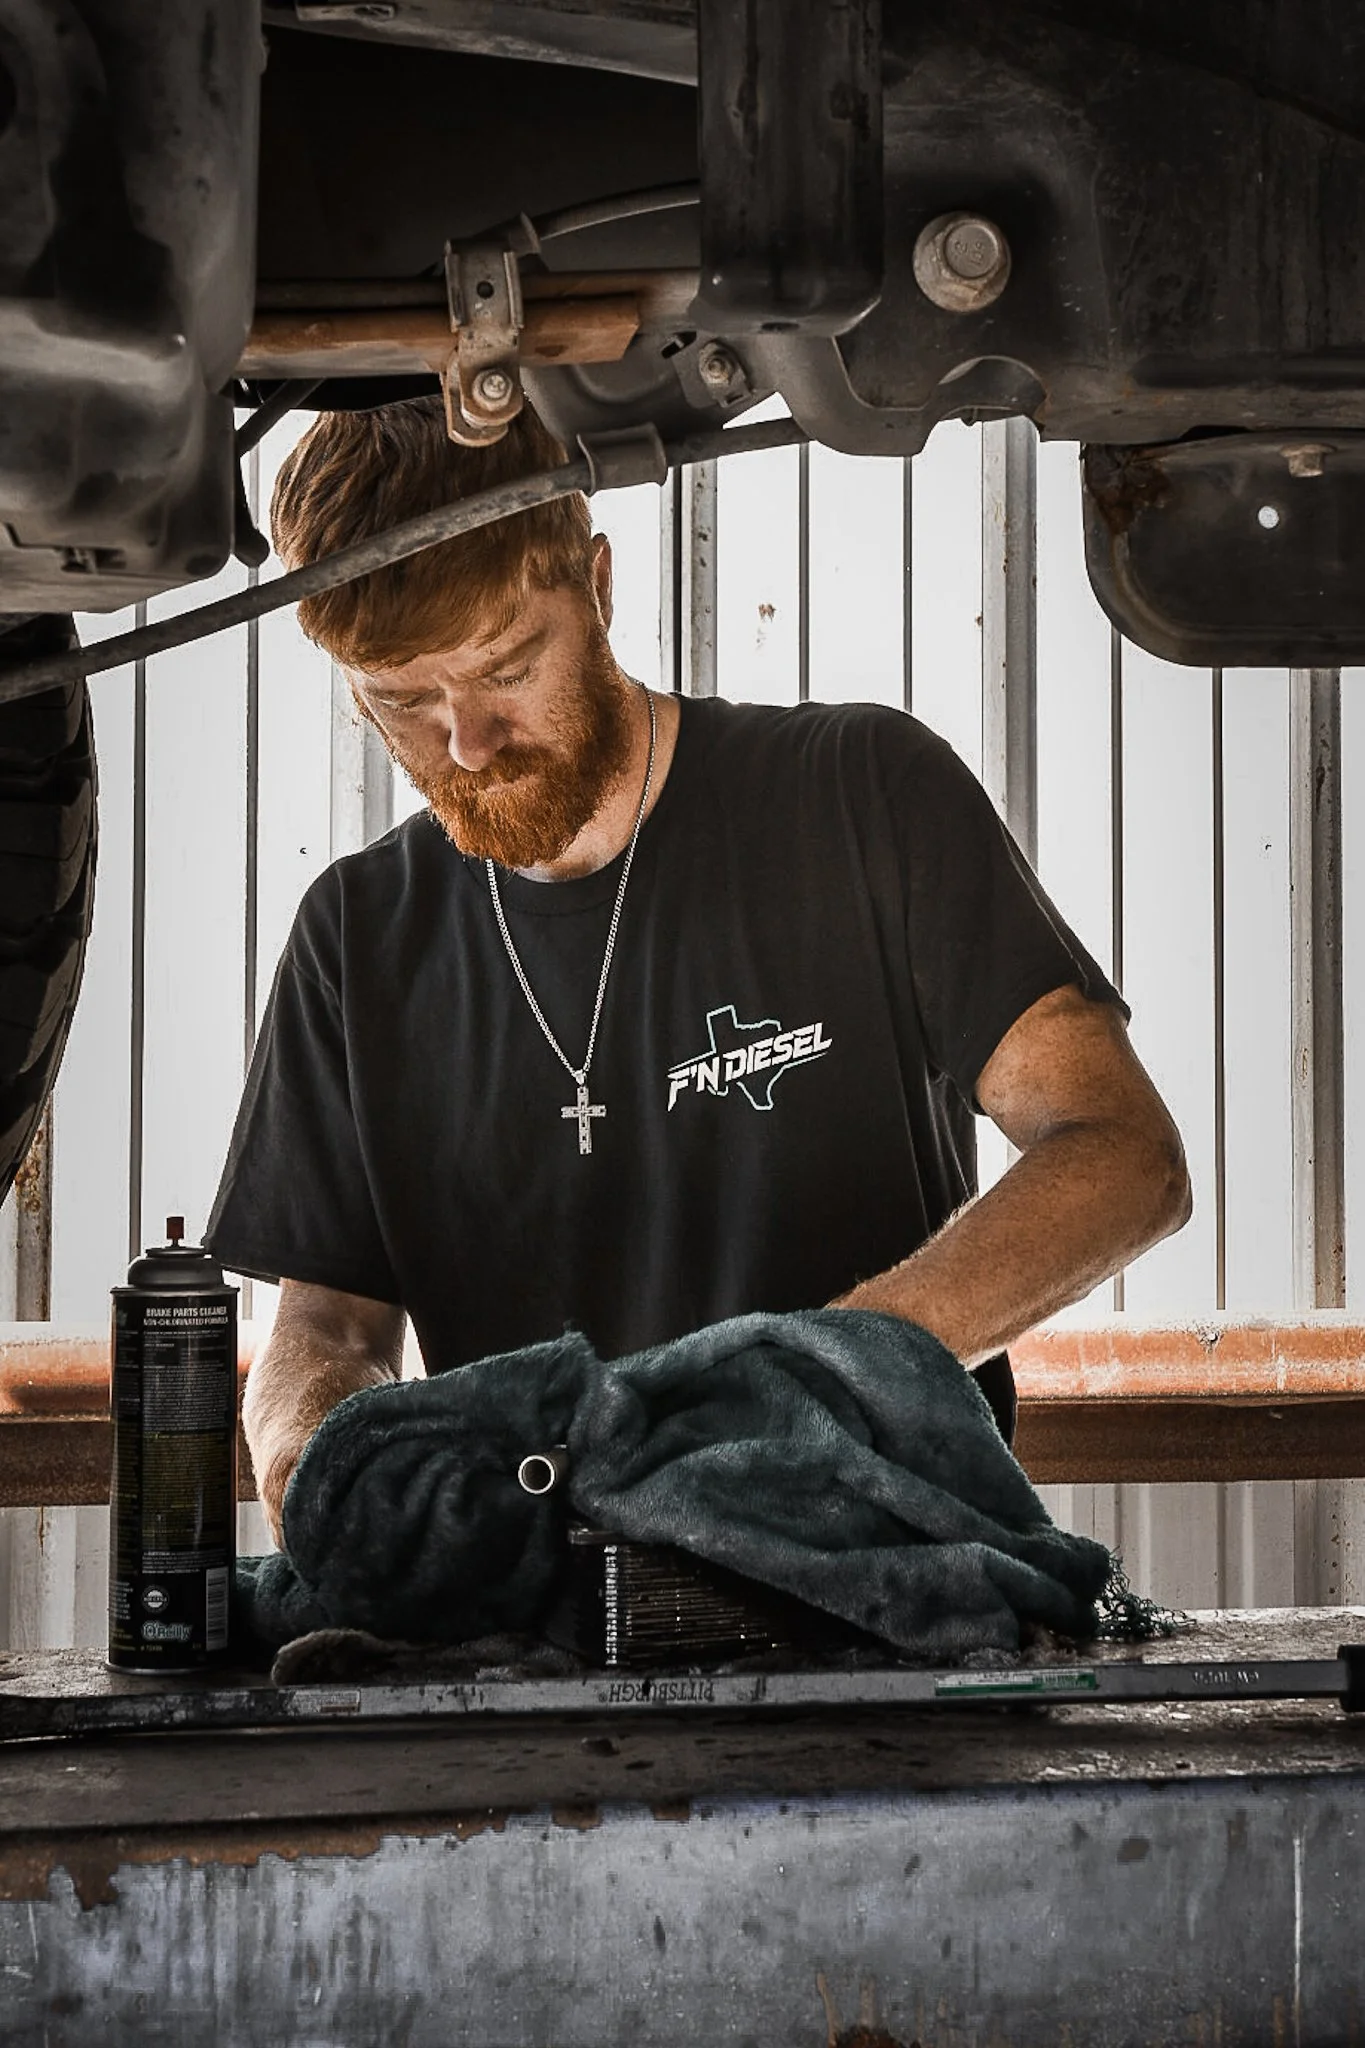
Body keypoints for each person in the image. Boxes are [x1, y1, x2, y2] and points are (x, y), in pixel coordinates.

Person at [207, 397, 1190, 1540]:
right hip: (541, 1625)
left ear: (599, 584)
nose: (466, 743)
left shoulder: (861, 794)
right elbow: (326, 1332)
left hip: (883, 1605)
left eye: (506, 666)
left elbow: (1124, 1155)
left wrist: (804, 1380)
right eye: (403, 701)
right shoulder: (355, 934)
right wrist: (318, 1463)